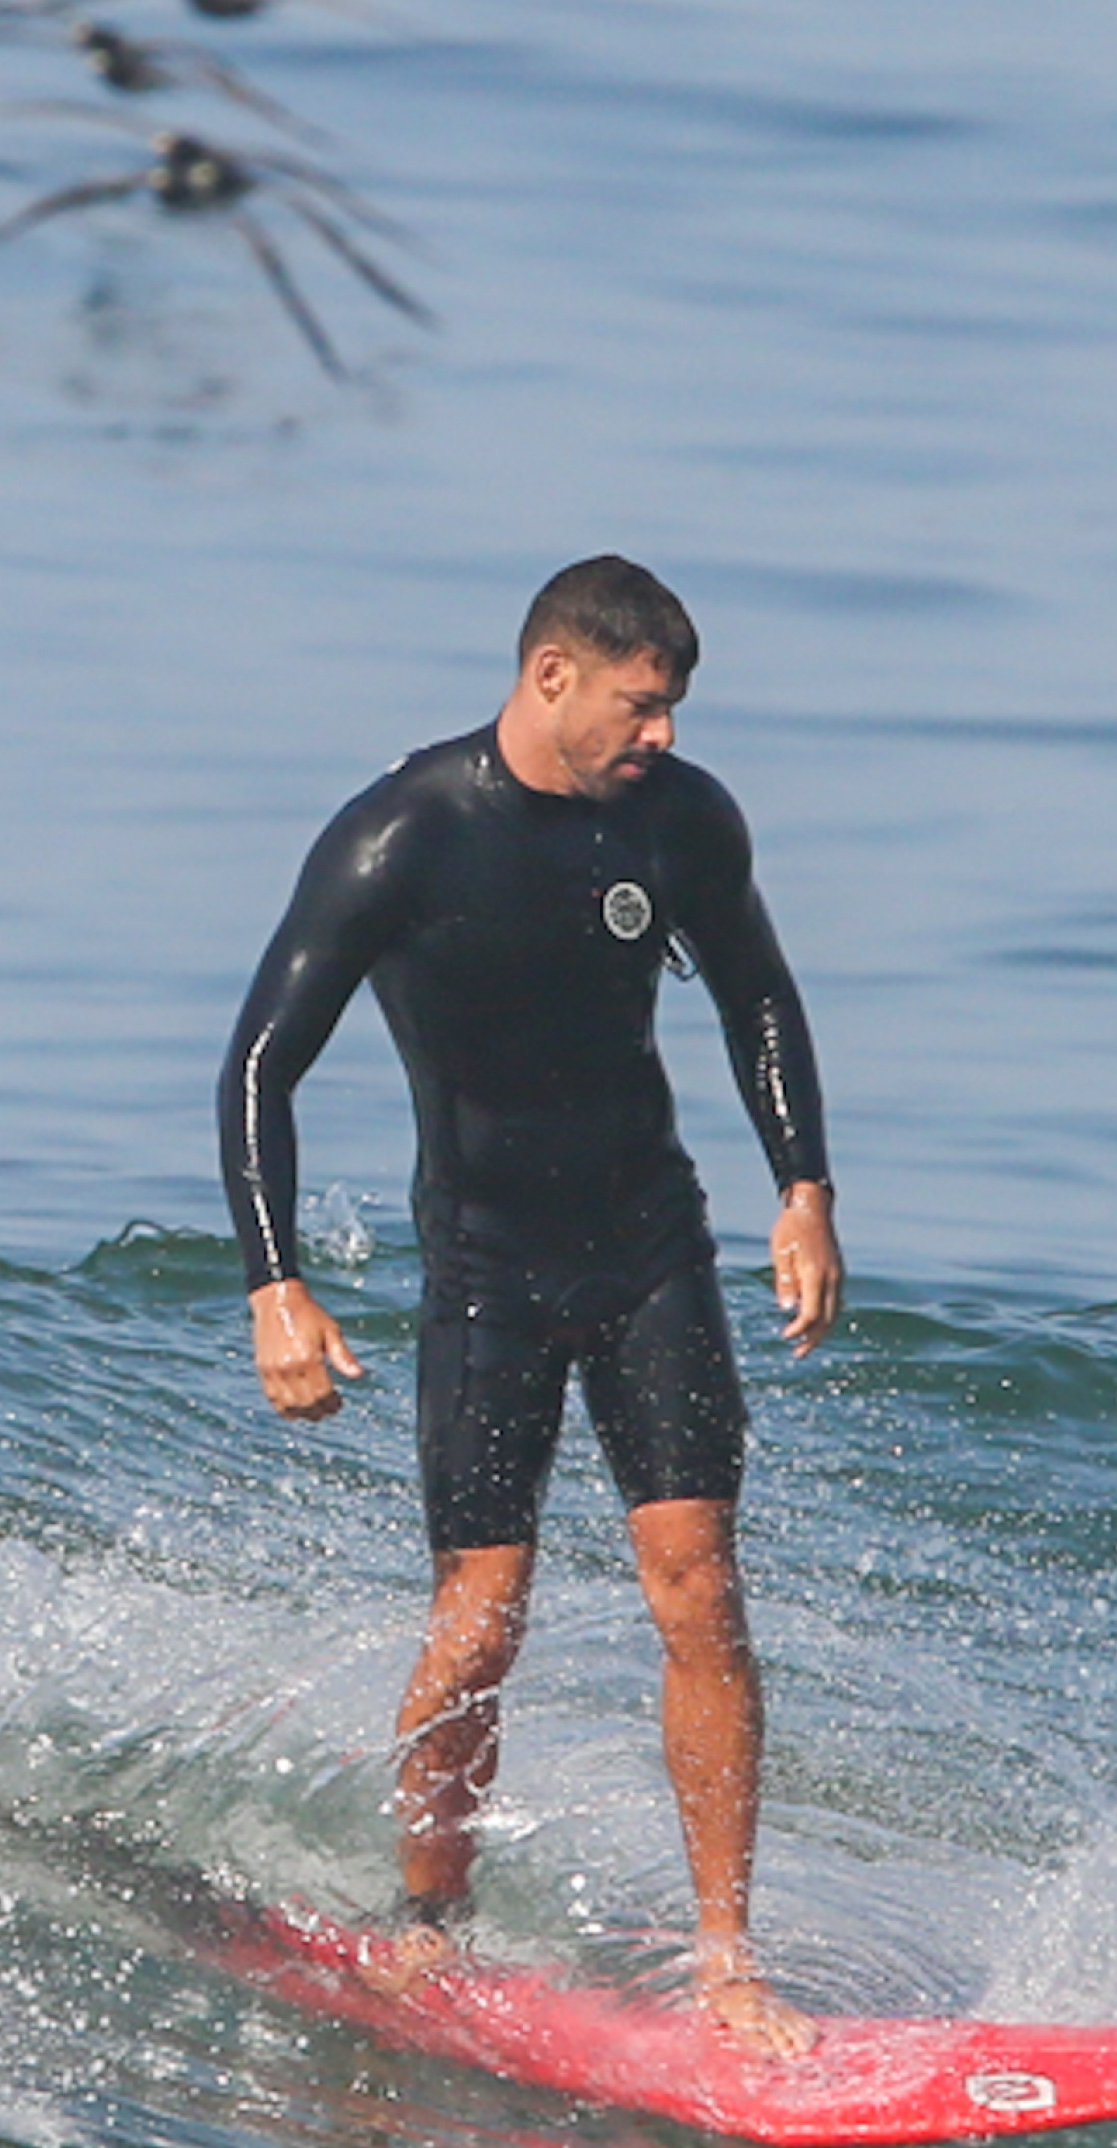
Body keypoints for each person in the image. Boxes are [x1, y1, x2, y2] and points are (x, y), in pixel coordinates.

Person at [217, 555, 842, 2057]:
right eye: (643, 704)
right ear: (553, 674)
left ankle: (727, 1960)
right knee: (481, 1617)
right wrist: (274, 1282)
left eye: (675, 709)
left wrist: (804, 1187)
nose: (664, 737)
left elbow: (756, 990)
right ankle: (429, 1924)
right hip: (488, 1272)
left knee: (698, 1586)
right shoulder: (403, 838)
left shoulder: (680, 823)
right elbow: (257, 1066)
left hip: (650, 1248)